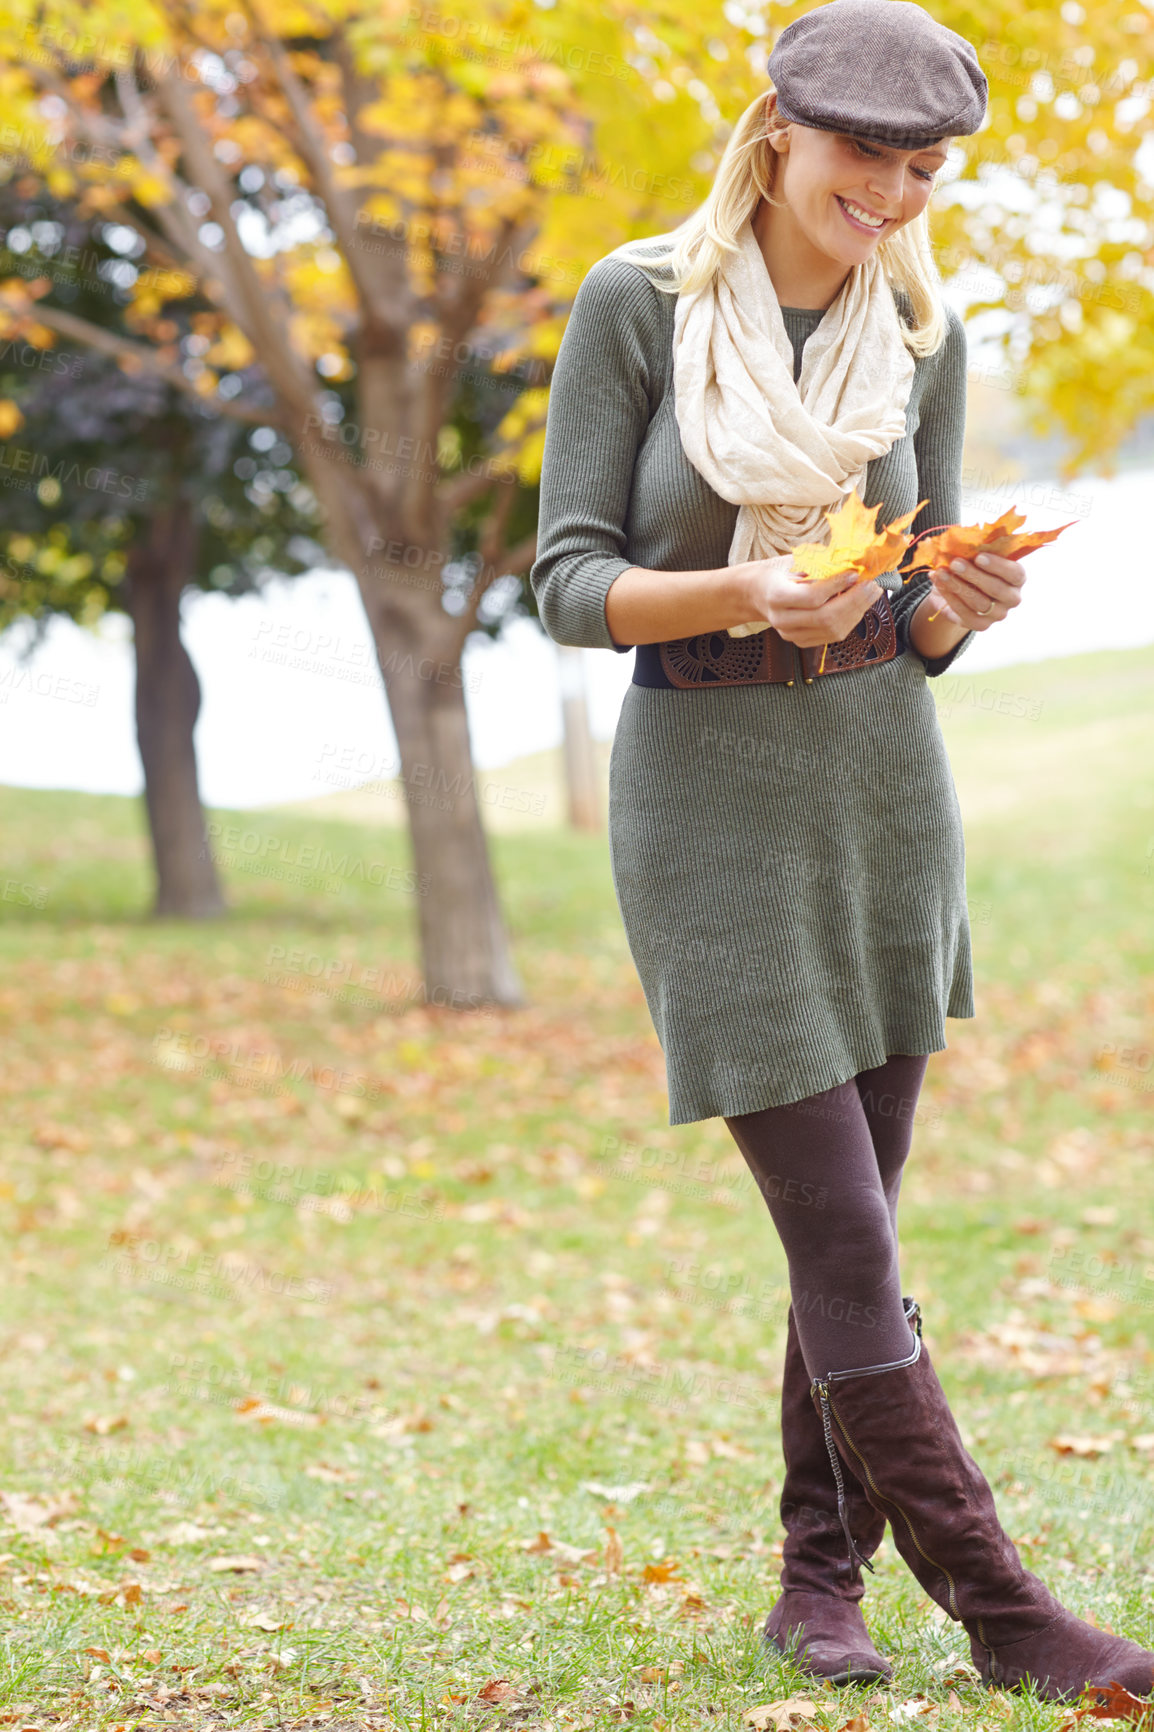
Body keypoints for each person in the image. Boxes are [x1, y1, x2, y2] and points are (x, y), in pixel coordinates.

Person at [529, 0, 1154, 1704]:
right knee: (851, 1244)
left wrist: (953, 604)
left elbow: (913, 594)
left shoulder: (918, 328)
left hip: (882, 790)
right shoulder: (639, 304)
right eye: (862, 154)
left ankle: (817, 1587)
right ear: (779, 133)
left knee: (851, 1226)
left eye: (921, 165)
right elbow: (564, 583)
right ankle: (1004, 1608)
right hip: (708, 801)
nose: (888, 190)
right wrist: (741, 586)